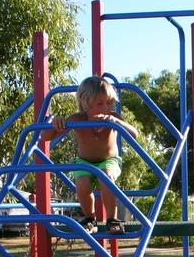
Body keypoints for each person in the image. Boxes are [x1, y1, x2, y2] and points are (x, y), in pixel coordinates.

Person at [42, 76, 139, 234]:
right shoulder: (77, 119)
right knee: (82, 183)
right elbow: (46, 137)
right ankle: (90, 219)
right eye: (100, 103)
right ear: (85, 104)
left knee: (105, 177)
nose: (106, 107)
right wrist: (55, 123)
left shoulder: (113, 118)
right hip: (84, 162)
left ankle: (112, 219)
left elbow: (134, 134)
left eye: (109, 102)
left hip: (109, 161)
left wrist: (117, 123)